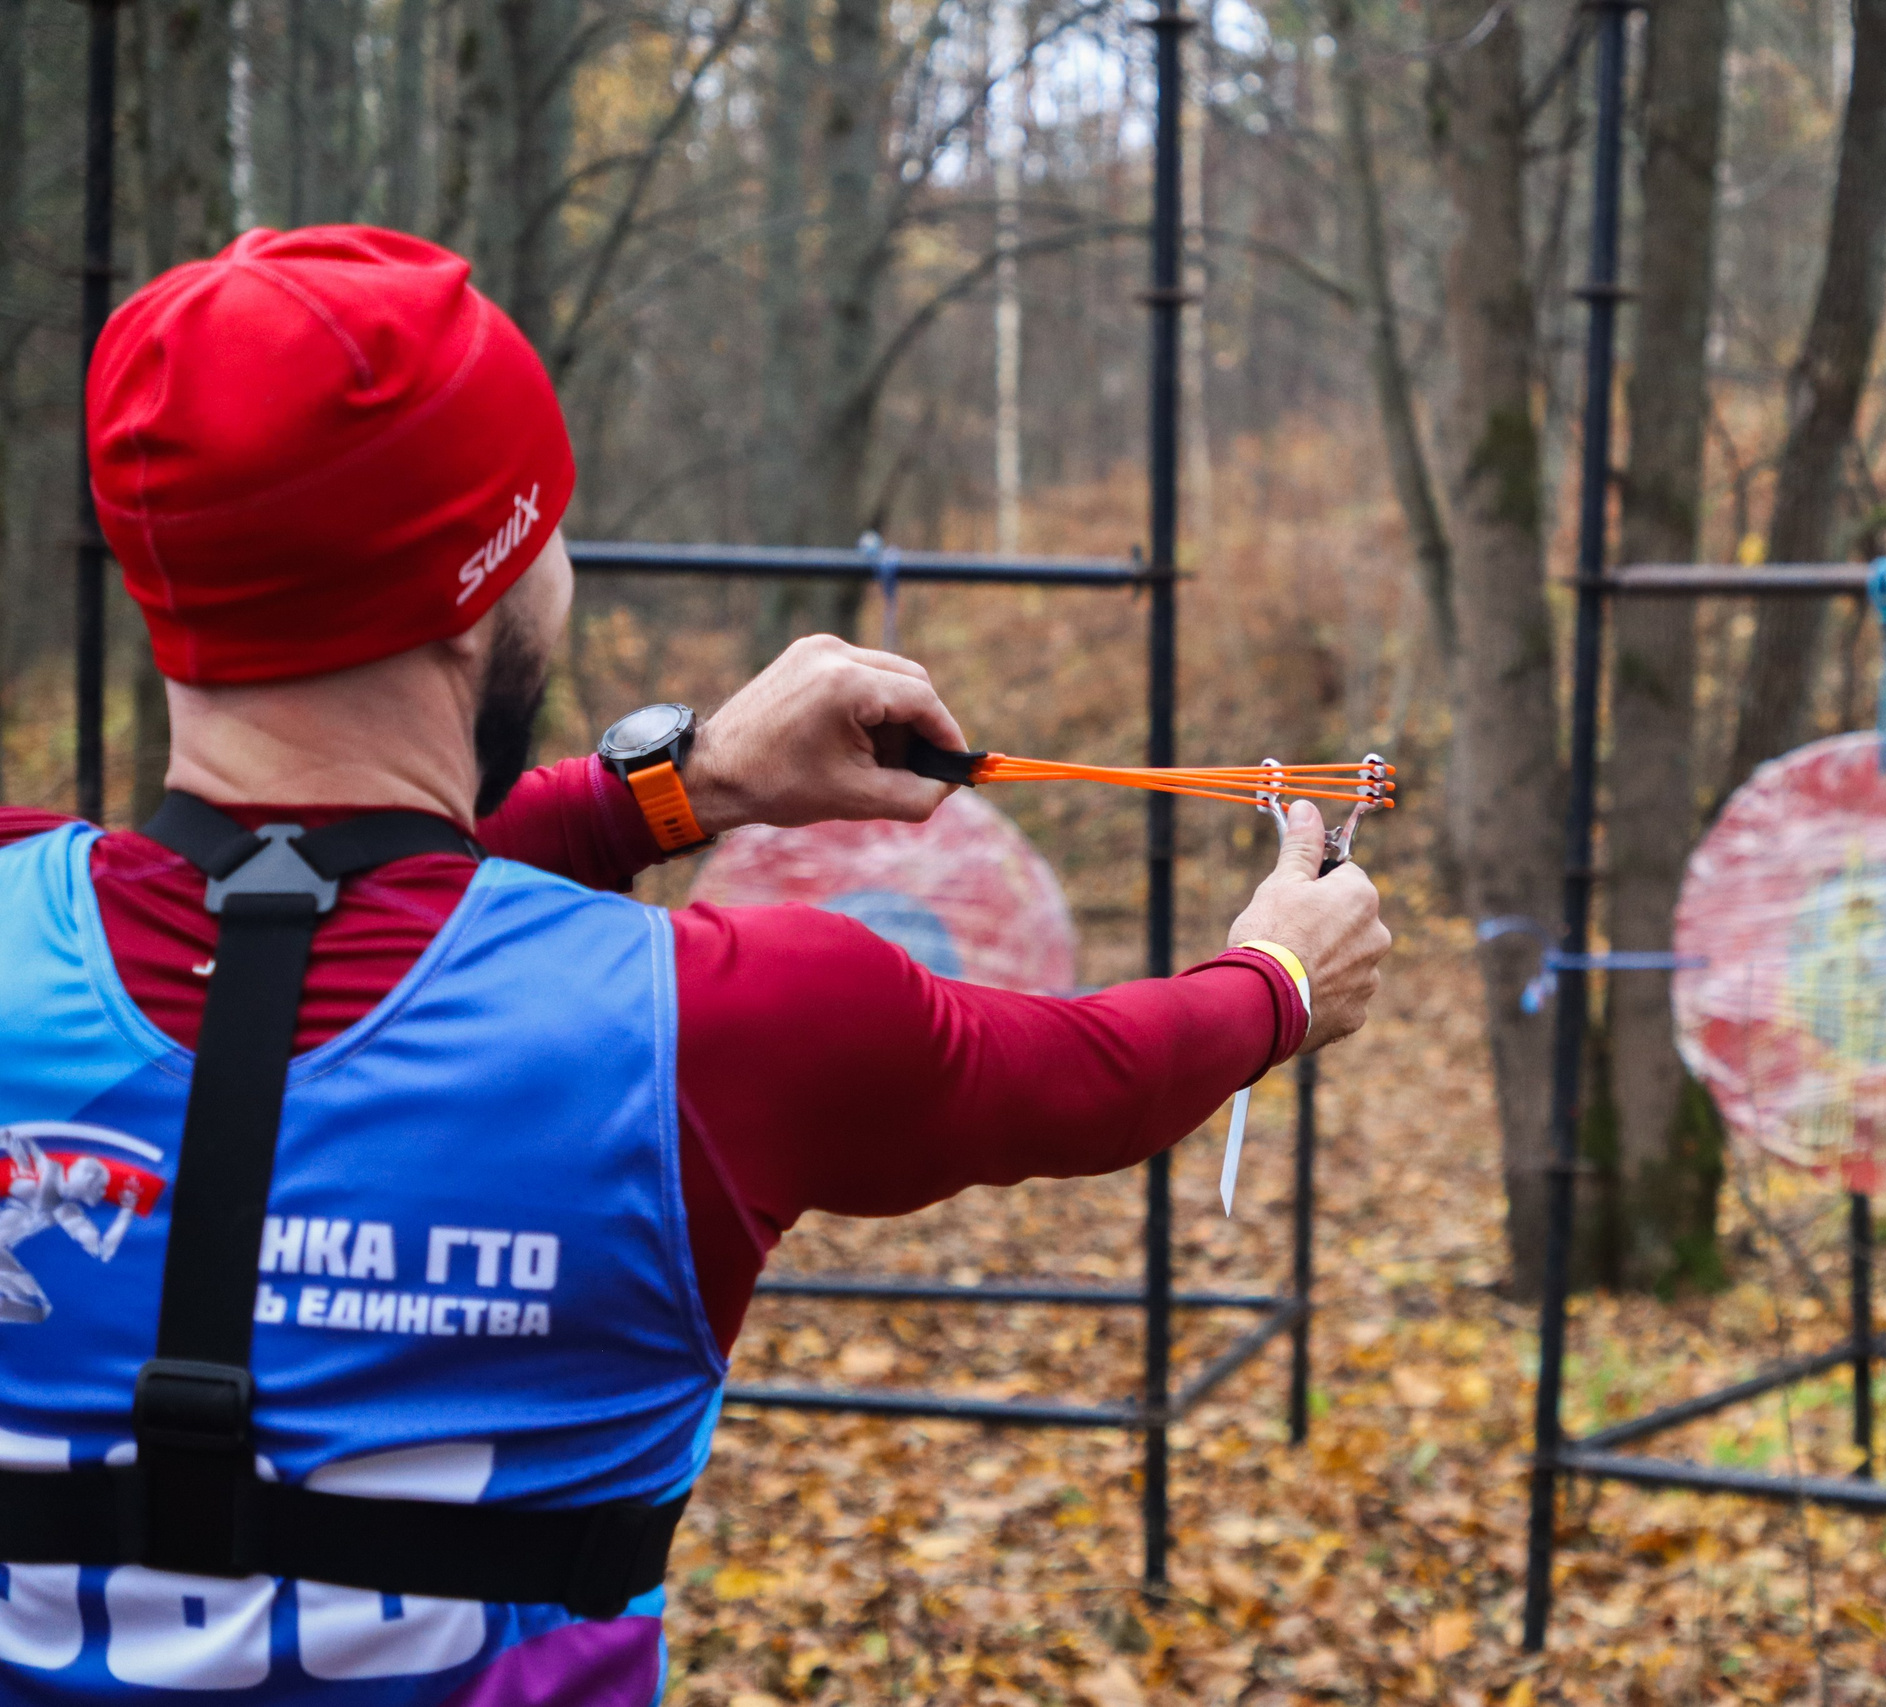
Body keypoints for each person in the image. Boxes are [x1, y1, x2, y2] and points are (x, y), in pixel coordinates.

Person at [0, 226, 1389, 1703]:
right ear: (485, 591)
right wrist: (1279, 980)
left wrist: (687, 786)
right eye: (548, 530)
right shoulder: (711, 1028)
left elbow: (294, 900)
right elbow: (1090, 1079)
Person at [0, 1130, 141, 1323]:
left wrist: (127, 1212)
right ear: (87, 1179)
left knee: (36, 1309)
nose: (102, 1193)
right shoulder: (42, 1166)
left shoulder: (66, 1211)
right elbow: (10, 1138)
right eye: (101, 1186)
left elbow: (103, 1250)